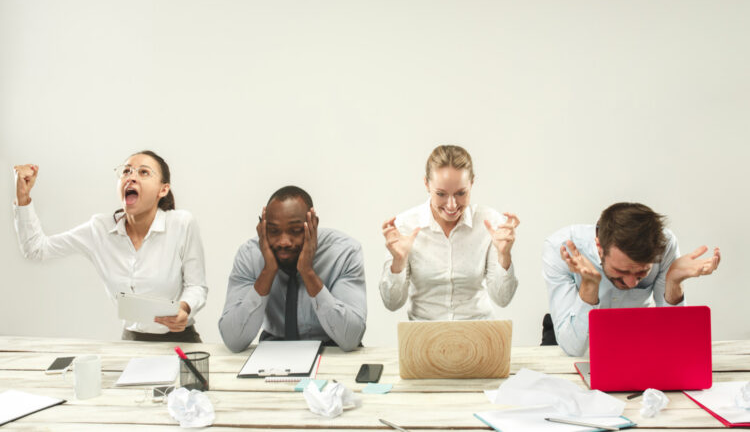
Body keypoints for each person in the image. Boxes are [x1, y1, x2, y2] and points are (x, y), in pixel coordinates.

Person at [12, 151, 207, 342]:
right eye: (126, 171)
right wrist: (22, 197)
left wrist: (184, 308)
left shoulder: (182, 224)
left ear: (162, 190)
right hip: (132, 342)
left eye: (143, 172)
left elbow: (196, 286)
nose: (131, 177)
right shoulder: (99, 229)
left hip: (181, 341)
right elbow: (36, 249)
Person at [543, 202, 721, 356]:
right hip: (573, 335)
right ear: (599, 246)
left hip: (636, 336)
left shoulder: (664, 246)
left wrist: (674, 282)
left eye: (641, 274)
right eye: (621, 271)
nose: (631, 283)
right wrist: (590, 286)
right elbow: (573, 348)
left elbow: (674, 337)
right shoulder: (561, 247)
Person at [379, 145, 520, 320]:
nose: (452, 205)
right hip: (425, 336)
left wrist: (504, 255)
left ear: (472, 183)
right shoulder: (405, 226)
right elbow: (391, 303)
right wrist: (398, 262)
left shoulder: (490, 223)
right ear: (426, 184)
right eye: (441, 194)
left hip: (478, 333)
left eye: (461, 193)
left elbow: (503, 299)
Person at [218, 186, 366, 352]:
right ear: (262, 227)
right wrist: (268, 271)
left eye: (295, 231)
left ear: (313, 224)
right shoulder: (249, 255)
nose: (284, 242)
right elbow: (233, 340)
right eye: (273, 231)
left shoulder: (344, 252)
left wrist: (307, 272)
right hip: (274, 350)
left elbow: (351, 338)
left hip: (332, 349)